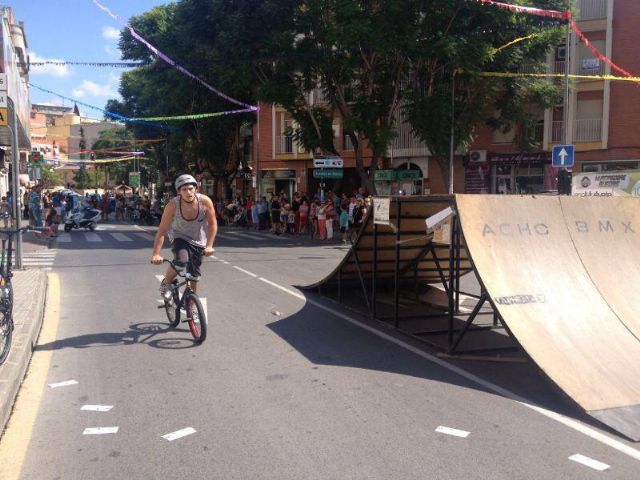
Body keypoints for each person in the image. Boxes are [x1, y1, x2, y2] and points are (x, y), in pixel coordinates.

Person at [151, 174, 217, 295]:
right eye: (184, 189)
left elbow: (213, 224)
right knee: (182, 261)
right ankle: (166, 283)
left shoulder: (205, 201)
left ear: (196, 189)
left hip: (199, 240)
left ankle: (191, 304)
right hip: (179, 236)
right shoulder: (172, 205)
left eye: (191, 188)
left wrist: (209, 245)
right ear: (179, 192)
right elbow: (162, 230)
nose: (188, 192)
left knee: (194, 277)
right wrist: (156, 254)